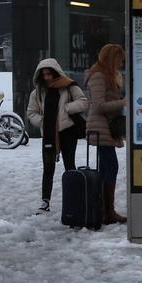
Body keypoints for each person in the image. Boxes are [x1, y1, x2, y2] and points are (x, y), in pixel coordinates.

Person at [27, 58, 89, 214]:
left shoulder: (68, 86)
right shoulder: (37, 93)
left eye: (49, 74)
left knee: (70, 166)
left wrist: (67, 108)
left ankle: (73, 199)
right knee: (48, 167)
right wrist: (43, 122)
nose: (47, 77)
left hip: (67, 131)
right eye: (44, 74)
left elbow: (83, 102)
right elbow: (31, 112)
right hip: (49, 134)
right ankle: (45, 201)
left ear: (55, 73)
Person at [85, 44, 127, 224]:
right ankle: (106, 210)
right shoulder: (98, 76)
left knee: (108, 167)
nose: (120, 63)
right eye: (118, 60)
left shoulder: (111, 77)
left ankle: (105, 209)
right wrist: (123, 102)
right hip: (101, 127)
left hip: (108, 128)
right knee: (110, 167)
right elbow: (99, 105)